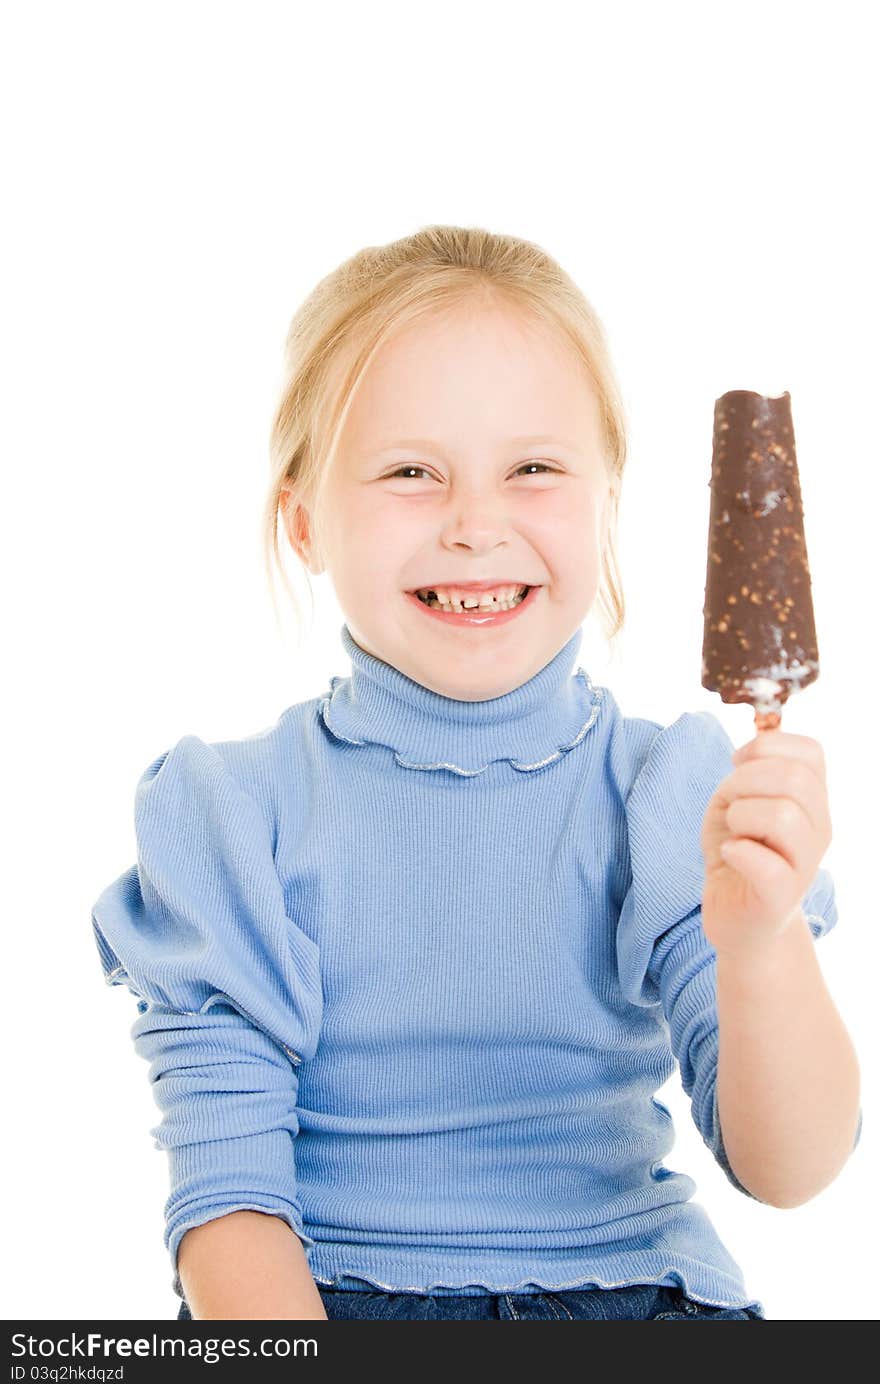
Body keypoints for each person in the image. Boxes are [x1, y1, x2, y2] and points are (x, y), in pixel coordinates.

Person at [90, 224, 861, 1322]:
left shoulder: (676, 791)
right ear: (305, 520)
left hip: (641, 1298)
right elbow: (229, 1208)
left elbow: (792, 1166)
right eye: (411, 473)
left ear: (604, 502)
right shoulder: (230, 813)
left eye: (533, 469)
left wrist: (762, 943)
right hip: (317, 1304)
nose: (474, 524)